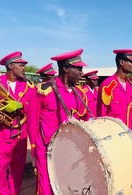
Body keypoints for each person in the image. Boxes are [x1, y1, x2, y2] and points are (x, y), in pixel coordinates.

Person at [27, 48, 89, 195]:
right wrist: (35, 150)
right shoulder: (44, 89)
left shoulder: (79, 93)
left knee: (67, 182)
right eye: (78, 68)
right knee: (46, 184)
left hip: (70, 148)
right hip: (47, 147)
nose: (81, 72)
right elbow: (32, 120)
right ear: (66, 68)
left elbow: (84, 119)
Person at [0, 51, 34, 195]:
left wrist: (20, 105)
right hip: (1, 134)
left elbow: (33, 107)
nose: (23, 68)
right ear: (11, 66)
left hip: (20, 134)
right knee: (1, 171)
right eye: (21, 65)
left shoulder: (28, 86)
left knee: (18, 169)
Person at [97, 49, 132, 130]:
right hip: (113, 134)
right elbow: (102, 113)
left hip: (129, 133)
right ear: (122, 62)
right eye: (131, 62)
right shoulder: (109, 85)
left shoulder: (131, 87)